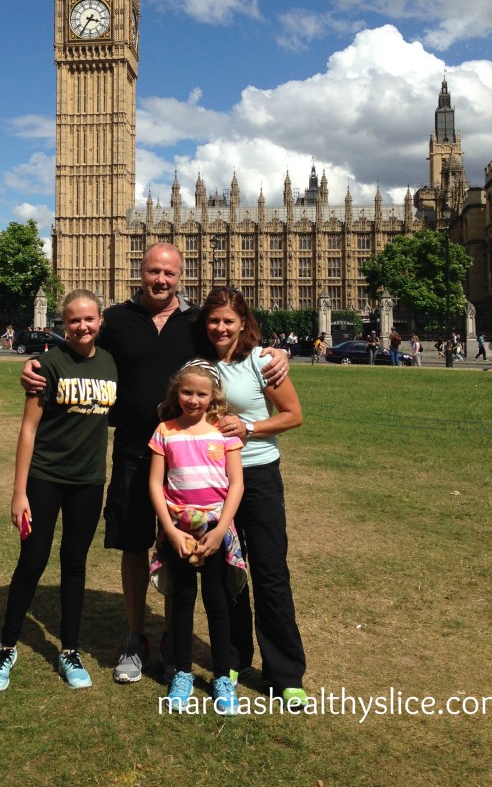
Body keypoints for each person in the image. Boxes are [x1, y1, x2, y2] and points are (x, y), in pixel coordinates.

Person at [21, 242, 289, 686]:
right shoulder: (118, 321)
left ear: (180, 276)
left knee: (177, 546)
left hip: (187, 457)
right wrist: (35, 364)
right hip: (132, 449)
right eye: (153, 272)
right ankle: (134, 636)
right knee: (133, 543)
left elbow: (234, 338)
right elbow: (76, 348)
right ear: (140, 272)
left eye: (169, 273)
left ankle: (170, 636)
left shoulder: (197, 323)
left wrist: (274, 352)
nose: (160, 280)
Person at [0, 290, 118, 692]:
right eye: (74, 320)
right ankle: (7, 646)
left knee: (75, 563)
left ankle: (69, 649)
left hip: (89, 481)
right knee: (32, 560)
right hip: (45, 478)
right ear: (63, 323)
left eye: (89, 319)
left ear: (100, 321)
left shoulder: (112, 364)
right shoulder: (47, 364)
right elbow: (28, 430)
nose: (82, 326)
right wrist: (18, 492)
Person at [200, 287, 307, 708]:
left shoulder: (262, 360)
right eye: (214, 320)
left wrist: (249, 429)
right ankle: (232, 657)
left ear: (244, 322)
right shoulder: (198, 362)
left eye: (228, 320)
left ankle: (285, 673)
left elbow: (294, 416)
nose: (221, 327)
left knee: (269, 570)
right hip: (213, 477)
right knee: (225, 571)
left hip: (258, 473)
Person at [148, 360, 245, 715]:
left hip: (216, 529)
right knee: (184, 601)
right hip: (180, 529)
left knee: (218, 603)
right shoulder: (165, 431)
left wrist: (221, 530)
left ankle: (221, 675)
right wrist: (170, 530)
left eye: (201, 394)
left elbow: (236, 484)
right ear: (177, 393)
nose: (193, 399)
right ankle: (184, 672)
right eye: (186, 392)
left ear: (213, 397)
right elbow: (155, 485)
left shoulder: (224, 432)